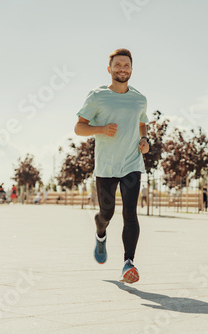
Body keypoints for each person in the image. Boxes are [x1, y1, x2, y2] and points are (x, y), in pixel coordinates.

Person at [74, 48, 149, 284]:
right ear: (109, 69)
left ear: (132, 69)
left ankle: (128, 263)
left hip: (131, 164)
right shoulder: (97, 96)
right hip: (106, 167)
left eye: (126, 65)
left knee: (130, 213)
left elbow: (142, 123)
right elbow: (79, 127)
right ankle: (100, 234)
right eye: (117, 65)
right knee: (107, 213)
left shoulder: (139, 99)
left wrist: (145, 140)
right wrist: (100, 129)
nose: (122, 69)